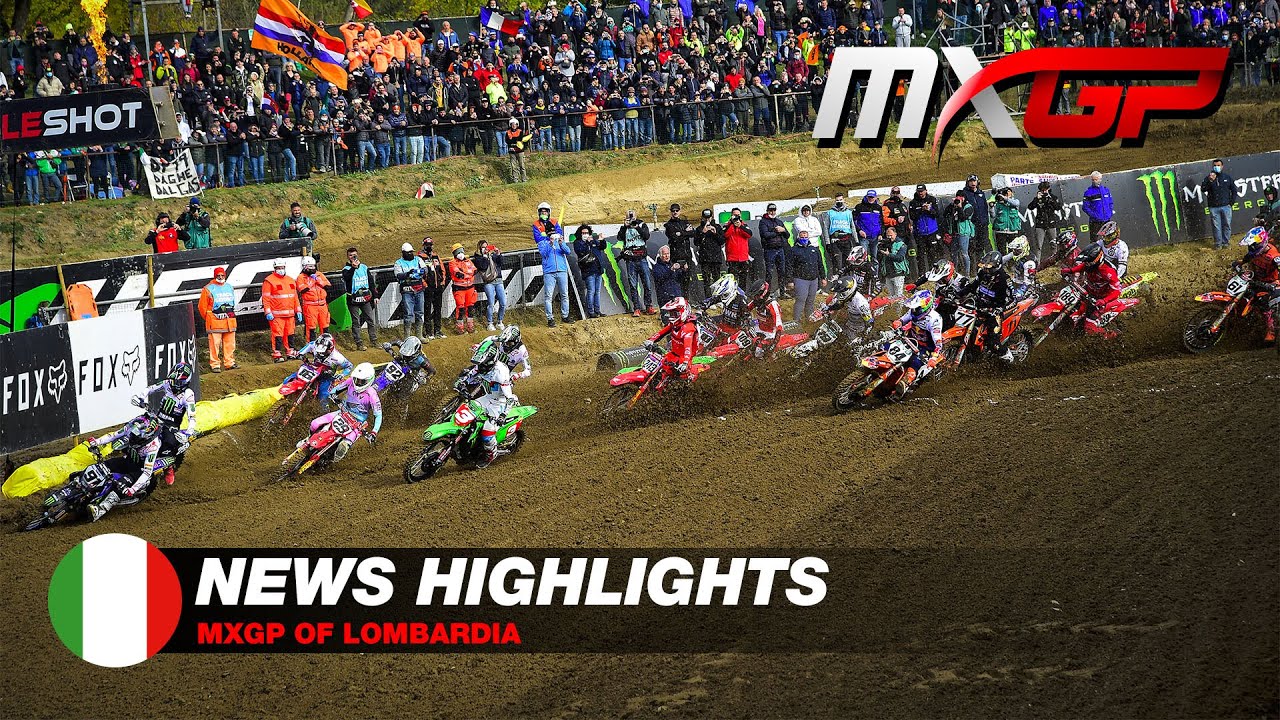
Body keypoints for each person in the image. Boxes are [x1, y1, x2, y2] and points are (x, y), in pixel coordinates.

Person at [84, 414, 167, 522]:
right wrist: (97, 441)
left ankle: (99, 510)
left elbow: (147, 472)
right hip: (127, 460)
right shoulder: (132, 428)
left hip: (138, 471)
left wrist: (133, 489)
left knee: (120, 485)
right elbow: (114, 435)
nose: (134, 438)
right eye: (134, 435)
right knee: (100, 467)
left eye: (137, 437)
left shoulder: (153, 446)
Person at [131, 363, 197, 486]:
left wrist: (188, 433)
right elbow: (150, 389)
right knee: (136, 428)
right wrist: (140, 397)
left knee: (168, 444)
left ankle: (169, 467)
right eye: (173, 380)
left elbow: (192, 417)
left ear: (185, 382)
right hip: (157, 418)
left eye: (178, 382)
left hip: (171, 426)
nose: (174, 384)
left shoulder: (188, 394)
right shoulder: (167, 383)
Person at [307, 362, 381, 463]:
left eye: (361, 381)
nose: (357, 383)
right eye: (356, 379)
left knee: (343, 446)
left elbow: (378, 415)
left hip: (357, 423)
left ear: (369, 381)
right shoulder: (351, 381)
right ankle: (308, 440)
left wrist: (373, 432)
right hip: (342, 412)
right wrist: (333, 396)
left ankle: (330, 462)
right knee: (314, 423)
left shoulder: (372, 394)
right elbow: (335, 390)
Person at [466, 341, 517, 467]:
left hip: (499, 402)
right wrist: (462, 382)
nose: (480, 367)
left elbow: (509, 398)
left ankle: (490, 455)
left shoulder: (500, 373)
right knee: (466, 409)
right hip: (487, 397)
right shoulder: (482, 364)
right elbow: (470, 375)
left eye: (483, 364)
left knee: (487, 431)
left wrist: (503, 415)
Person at [958, 250, 1015, 360]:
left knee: (993, 344)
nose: (986, 270)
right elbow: (972, 286)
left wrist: (999, 309)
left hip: (994, 312)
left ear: (997, 266)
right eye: (985, 267)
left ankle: (1009, 358)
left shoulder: (1004, 279)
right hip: (979, 307)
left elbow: (1013, 299)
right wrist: (958, 295)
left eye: (989, 268)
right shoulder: (982, 273)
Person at [1059, 242, 1122, 339]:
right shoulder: (1090, 265)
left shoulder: (1108, 272)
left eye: (1088, 263)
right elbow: (1083, 266)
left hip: (1102, 300)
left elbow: (1117, 291)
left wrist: (1104, 300)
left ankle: (1112, 335)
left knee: (1089, 327)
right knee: (1072, 308)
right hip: (1090, 293)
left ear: (1096, 260)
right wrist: (1071, 270)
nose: (1086, 264)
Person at [890, 289, 944, 398]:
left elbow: (938, 343)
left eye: (917, 308)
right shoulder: (912, 311)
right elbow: (903, 320)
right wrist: (898, 322)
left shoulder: (934, 319)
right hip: (909, 340)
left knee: (915, 363)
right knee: (887, 347)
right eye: (913, 308)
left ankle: (903, 386)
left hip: (925, 348)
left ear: (925, 307)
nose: (914, 310)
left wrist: (933, 358)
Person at [533, 202, 573, 326]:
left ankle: (565, 316)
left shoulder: (558, 238)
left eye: (553, 230)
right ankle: (550, 319)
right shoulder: (543, 242)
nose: (551, 232)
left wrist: (560, 243)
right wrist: (550, 243)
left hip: (561, 269)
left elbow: (568, 251)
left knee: (564, 294)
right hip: (549, 271)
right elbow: (544, 253)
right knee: (548, 296)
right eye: (542, 212)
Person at [644, 296, 701, 381]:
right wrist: (651, 340)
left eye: (675, 314)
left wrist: (685, 362)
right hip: (672, 354)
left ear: (683, 312)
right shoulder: (674, 325)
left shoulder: (688, 328)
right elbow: (661, 333)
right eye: (671, 314)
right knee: (659, 369)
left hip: (684, 359)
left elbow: (687, 348)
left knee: (679, 379)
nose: (672, 317)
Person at [1238, 227, 1279, 343]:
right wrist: (1240, 263)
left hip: (1270, 285)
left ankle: (1272, 331)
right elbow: (1248, 257)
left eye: (1254, 246)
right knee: (1244, 293)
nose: (1252, 248)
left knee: (1265, 303)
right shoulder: (1255, 252)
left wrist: (1276, 283)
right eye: (1250, 246)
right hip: (1256, 281)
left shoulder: (1274, 256)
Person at [617, 209, 657, 317]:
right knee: (633, 285)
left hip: (642, 258)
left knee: (647, 284)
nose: (631, 219)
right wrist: (625, 226)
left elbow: (646, 236)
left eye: (632, 216)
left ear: (636, 216)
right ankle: (637, 308)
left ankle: (649, 306)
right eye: (629, 217)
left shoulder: (642, 224)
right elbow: (619, 238)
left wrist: (637, 227)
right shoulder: (624, 227)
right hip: (630, 260)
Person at [198, 266, 238, 372]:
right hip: (215, 322)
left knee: (230, 343)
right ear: (214, 276)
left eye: (222, 275)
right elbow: (202, 307)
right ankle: (215, 365)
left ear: (225, 275)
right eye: (218, 275)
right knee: (214, 344)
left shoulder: (229, 287)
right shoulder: (208, 289)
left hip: (229, 321)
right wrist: (209, 317)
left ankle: (229, 363)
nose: (220, 277)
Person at [262, 258, 302, 362]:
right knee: (277, 335)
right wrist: (268, 312)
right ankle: (277, 354)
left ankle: (290, 352)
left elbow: (295, 297)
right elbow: (266, 298)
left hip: (290, 314)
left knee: (290, 334)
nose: (281, 269)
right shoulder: (269, 281)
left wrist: (298, 310)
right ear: (275, 268)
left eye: (282, 267)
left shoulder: (290, 280)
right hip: (277, 315)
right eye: (278, 268)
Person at [342, 246, 379, 350]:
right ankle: (359, 343)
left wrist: (375, 296)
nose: (353, 257)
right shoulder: (346, 269)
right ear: (348, 257)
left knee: (370, 319)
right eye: (350, 255)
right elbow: (347, 278)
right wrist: (353, 267)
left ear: (357, 255)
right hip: (353, 299)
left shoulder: (364, 267)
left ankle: (374, 341)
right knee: (356, 322)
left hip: (365, 298)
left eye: (354, 255)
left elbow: (371, 282)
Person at [788, 228, 825, 323]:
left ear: (808, 238)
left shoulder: (814, 249)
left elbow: (820, 264)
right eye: (802, 237)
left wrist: (823, 277)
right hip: (800, 279)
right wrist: (790, 280)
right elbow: (789, 266)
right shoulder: (793, 250)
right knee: (801, 300)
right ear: (798, 238)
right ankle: (796, 321)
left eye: (805, 237)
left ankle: (810, 319)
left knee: (811, 300)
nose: (804, 238)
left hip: (814, 279)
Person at [1201, 158, 1239, 249]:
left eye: (1218, 165)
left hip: (1226, 206)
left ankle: (1226, 243)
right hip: (1214, 207)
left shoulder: (1227, 177)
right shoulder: (1208, 178)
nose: (1216, 167)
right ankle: (1218, 244)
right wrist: (1210, 181)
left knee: (1227, 225)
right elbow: (1203, 189)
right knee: (1216, 226)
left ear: (1222, 166)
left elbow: (1234, 190)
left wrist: (1231, 203)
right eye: (1215, 165)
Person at [393, 242, 427, 339]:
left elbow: (425, 269)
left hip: (419, 289)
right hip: (407, 291)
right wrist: (408, 273)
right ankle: (407, 337)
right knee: (408, 314)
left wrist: (421, 271)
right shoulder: (398, 263)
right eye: (408, 252)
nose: (410, 254)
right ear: (403, 253)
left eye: (411, 252)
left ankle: (419, 335)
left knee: (420, 312)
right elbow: (398, 275)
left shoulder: (418, 259)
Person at [663, 204, 697, 298]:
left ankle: (686, 300)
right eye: (673, 211)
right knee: (677, 280)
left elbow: (693, 233)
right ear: (670, 212)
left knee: (687, 280)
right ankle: (678, 300)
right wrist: (685, 232)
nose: (675, 212)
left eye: (677, 210)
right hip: (676, 256)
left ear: (679, 211)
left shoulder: (684, 222)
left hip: (687, 255)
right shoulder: (668, 225)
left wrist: (681, 233)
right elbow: (674, 238)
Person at [296, 256, 332, 342]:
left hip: (322, 305)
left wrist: (319, 281)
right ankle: (311, 345)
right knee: (311, 327)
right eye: (310, 266)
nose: (312, 268)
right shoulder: (301, 277)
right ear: (305, 267)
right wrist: (312, 281)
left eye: (313, 266)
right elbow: (302, 290)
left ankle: (326, 344)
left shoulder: (319, 274)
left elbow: (328, 286)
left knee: (325, 326)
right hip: (310, 306)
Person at [574, 224, 607, 318]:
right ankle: (590, 312)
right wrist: (588, 243)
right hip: (588, 271)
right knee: (591, 291)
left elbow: (602, 246)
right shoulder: (578, 242)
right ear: (580, 234)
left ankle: (597, 311)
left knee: (597, 292)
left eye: (587, 233)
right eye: (583, 233)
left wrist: (602, 239)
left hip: (598, 270)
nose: (585, 234)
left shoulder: (593, 241)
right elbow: (580, 252)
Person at [908, 184, 942, 273]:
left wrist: (930, 210)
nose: (921, 193)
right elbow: (912, 217)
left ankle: (935, 273)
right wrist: (921, 209)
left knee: (933, 253)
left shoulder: (932, 199)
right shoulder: (913, 202)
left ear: (926, 191)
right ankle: (922, 274)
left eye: (922, 191)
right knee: (921, 255)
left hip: (932, 231)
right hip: (920, 233)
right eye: (919, 191)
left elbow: (937, 214)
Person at [1026, 181, 1062, 263]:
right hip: (1040, 224)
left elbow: (1058, 207)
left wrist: (1050, 198)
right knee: (1039, 245)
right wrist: (1037, 199)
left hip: (1051, 223)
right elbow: (1030, 207)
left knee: (1054, 244)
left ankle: (1055, 261)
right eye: (1042, 190)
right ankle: (1037, 263)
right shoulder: (1038, 198)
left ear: (1049, 189)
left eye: (1046, 189)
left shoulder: (1053, 197)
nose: (1044, 191)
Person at [419, 237, 448, 339]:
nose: (429, 246)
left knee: (438, 309)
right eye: (427, 245)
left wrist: (443, 281)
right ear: (424, 245)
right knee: (427, 310)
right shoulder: (420, 257)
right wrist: (425, 284)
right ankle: (428, 332)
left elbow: (442, 269)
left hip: (438, 286)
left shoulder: (436, 256)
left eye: (430, 245)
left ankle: (438, 331)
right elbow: (419, 273)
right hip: (428, 287)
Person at [474, 239, 506, 330]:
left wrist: (498, 254)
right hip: (488, 282)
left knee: (503, 303)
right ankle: (490, 323)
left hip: (498, 280)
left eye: (486, 247)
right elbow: (483, 267)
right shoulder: (478, 257)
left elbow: (501, 263)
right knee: (491, 303)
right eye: (483, 247)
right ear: (479, 248)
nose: (485, 249)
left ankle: (500, 321)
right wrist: (484, 256)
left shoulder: (492, 255)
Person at [942, 190, 976, 275]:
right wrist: (952, 205)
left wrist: (960, 207)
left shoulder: (968, 207)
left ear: (964, 198)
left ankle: (967, 274)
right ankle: (955, 273)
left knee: (964, 254)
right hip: (954, 233)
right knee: (954, 254)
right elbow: (945, 214)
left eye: (960, 198)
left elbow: (963, 218)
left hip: (963, 233)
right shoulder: (953, 206)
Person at [447, 243, 479, 333]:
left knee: (470, 307)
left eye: (461, 251)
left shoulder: (468, 261)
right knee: (460, 308)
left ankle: (470, 327)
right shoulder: (452, 263)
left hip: (470, 288)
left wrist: (464, 272)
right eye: (458, 252)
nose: (461, 253)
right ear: (454, 253)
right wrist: (468, 273)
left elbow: (475, 271)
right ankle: (460, 328)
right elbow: (458, 274)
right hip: (459, 289)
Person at [855, 190, 884, 280]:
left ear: (875, 197)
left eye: (872, 197)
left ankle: (875, 278)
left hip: (875, 237)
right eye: (869, 197)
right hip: (864, 237)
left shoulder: (878, 207)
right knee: (863, 258)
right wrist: (859, 230)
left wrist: (880, 233)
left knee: (875, 258)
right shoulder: (859, 207)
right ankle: (863, 279)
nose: (871, 199)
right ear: (866, 197)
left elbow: (881, 222)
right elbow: (854, 221)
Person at [696, 209, 726, 293]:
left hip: (715, 258)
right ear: (702, 218)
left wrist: (715, 233)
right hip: (705, 259)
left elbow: (722, 241)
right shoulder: (699, 229)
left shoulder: (717, 227)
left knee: (717, 280)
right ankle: (708, 298)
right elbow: (696, 242)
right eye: (705, 218)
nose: (707, 220)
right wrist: (703, 233)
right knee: (706, 281)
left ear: (712, 217)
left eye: (708, 218)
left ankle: (717, 297)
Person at [723, 208, 754, 285]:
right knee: (732, 280)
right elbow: (725, 235)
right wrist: (732, 224)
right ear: (731, 215)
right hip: (732, 257)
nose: (736, 216)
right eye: (735, 215)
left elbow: (749, 234)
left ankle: (742, 293)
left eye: (738, 215)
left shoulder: (744, 225)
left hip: (743, 257)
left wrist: (740, 226)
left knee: (743, 280)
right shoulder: (727, 225)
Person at [1082, 171, 1115, 240]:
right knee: (1095, 241)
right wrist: (1095, 215)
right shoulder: (1088, 192)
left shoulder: (1106, 190)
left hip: (1107, 220)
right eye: (1093, 179)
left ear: (1100, 179)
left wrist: (1110, 213)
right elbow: (1085, 207)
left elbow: (1110, 203)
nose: (1095, 181)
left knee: (1109, 239)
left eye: (1096, 179)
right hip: (1095, 222)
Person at [879, 226, 910, 299]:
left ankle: (900, 306)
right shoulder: (884, 244)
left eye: (891, 235)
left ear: (895, 234)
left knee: (898, 297)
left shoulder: (901, 244)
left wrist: (888, 254)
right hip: (888, 274)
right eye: (887, 236)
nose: (889, 237)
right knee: (891, 297)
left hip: (898, 273)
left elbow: (900, 258)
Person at [990, 186, 1022, 255]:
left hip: (1013, 230)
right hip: (1001, 231)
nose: (1007, 193)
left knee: (1013, 252)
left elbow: (1016, 203)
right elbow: (993, 216)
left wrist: (1005, 198)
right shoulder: (998, 204)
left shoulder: (1015, 202)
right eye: (1006, 192)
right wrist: (991, 207)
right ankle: (1003, 262)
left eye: (1009, 191)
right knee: (1002, 252)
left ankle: (1012, 262)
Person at [827, 193, 855, 261]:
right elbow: (826, 228)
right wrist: (827, 243)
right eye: (837, 200)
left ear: (843, 200)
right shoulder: (830, 212)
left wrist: (856, 240)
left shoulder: (848, 212)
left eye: (840, 200)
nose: (839, 201)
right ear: (835, 201)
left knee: (848, 261)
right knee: (837, 261)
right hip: (835, 239)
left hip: (846, 239)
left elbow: (852, 227)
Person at [506, 118, 533, 183]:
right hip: (512, 151)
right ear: (510, 125)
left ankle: (524, 179)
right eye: (512, 124)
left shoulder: (520, 131)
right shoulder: (508, 132)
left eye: (515, 124)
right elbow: (507, 141)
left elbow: (520, 139)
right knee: (513, 166)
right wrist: (515, 141)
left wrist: (513, 140)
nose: (514, 125)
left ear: (517, 125)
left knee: (522, 166)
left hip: (520, 151)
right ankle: (515, 180)